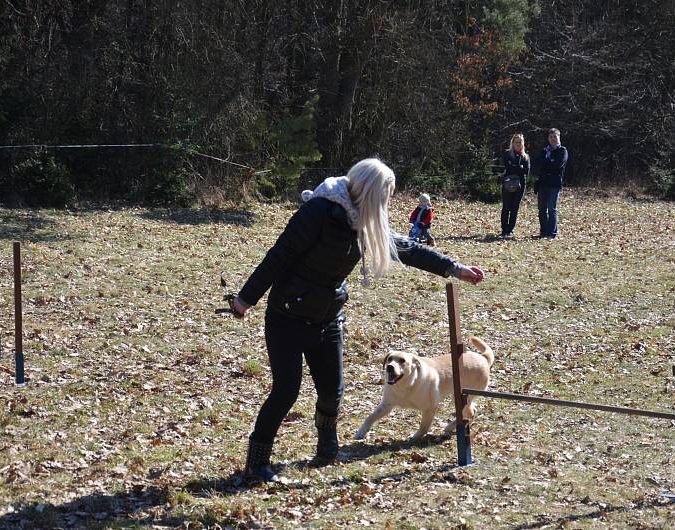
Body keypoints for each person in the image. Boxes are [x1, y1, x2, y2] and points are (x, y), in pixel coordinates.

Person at [228, 158, 485, 482]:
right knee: (286, 391)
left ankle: (326, 447)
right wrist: (245, 299)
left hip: (327, 318)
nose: (388, 203)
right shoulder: (318, 212)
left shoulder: (366, 223)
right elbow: (278, 256)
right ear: (372, 192)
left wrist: (454, 267)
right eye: (387, 196)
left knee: (332, 391)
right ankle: (257, 463)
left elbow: (408, 249)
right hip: (287, 317)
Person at [534, 128, 568, 240]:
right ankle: (544, 232)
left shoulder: (562, 151)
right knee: (542, 208)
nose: (553, 139)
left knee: (551, 208)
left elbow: (558, 165)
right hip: (542, 184)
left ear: (559, 137)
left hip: (554, 184)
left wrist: (547, 162)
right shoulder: (544, 151)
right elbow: (537, 163)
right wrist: (549, 161)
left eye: (555, 136)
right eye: (551, 137)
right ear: (548, 138)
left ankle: (552, 233)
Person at [500, 133, 530, 237]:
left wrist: (516, 167)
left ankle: (510, 230)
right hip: (508, 184)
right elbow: (508, 168)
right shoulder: (507, 154)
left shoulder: (525, 157)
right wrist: (519, 167)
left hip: (520, 185)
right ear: (512, 143)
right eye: (516, 142)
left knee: (514, 208)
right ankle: (504, 230)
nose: (518, 144)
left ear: (523, 143)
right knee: (506, 207)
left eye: (520, 142)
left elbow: (527, 171)